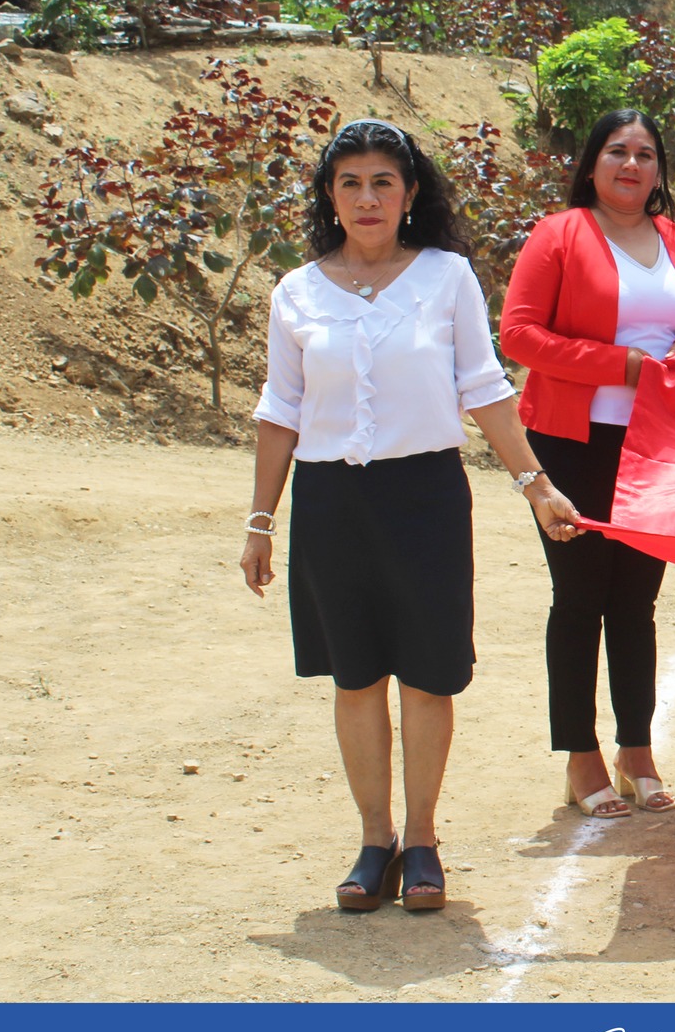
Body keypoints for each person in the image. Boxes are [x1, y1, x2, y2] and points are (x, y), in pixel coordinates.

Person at [240, 118, 582, 912]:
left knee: (429, 676)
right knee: (355, 677)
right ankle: (374, 841)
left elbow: (486, 389)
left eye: (382, 183)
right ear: (330, 195)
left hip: (426, 497)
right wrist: (261, 520)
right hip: (331, 504)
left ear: (410, 194)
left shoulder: (446, 277)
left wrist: (537, 483)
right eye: (350, 182)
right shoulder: (295, 291)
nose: (367, 198)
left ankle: (423, 840)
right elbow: (280, 410)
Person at [500, 109, 675, 820]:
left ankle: (637, 750)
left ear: (661, 170)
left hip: (656, 445)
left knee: (637, 600)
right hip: (572, 442)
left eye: (646, 154)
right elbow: (519, 333)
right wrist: (623, 363)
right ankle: (581, 755)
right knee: (580, 599)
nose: (632, 165)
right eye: (617, 152)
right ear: (592, 163)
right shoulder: (559, 234)